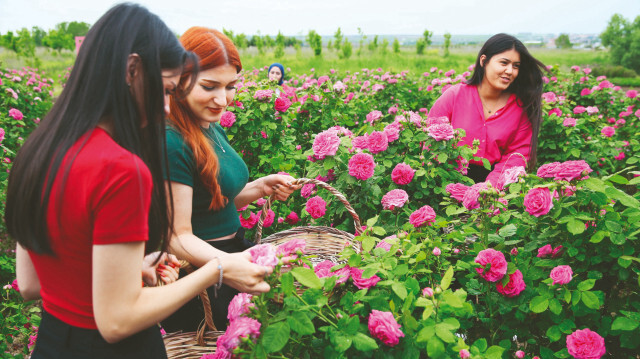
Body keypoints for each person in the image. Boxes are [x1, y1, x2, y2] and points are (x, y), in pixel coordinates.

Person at [7, 4, 271, 358]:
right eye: (163, 89)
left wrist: (130, 269)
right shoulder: (120, 170)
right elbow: (116, 321)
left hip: (54, 343)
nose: (165, 106)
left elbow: (32, 284)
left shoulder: (38, 151)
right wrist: (216, 269)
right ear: (132, 69)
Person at [161, 27, 299, 332]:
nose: (222, 100)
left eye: (230, 86)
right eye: (209, 86)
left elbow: (212, 199)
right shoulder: (173, 140)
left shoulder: (207, 125)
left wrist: (260, 187)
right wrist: (225, 267)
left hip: (231, 254)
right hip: (201, 279)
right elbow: (177, 236)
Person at [428, 33, 546, 185]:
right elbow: (430, 142)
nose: (510, 71)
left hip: (495, 191)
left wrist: (487, 191)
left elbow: (516, 157)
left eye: (516, 66)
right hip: (446, 182)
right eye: (504, 63)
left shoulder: (520, 109)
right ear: (484, 61)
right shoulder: (455, 96)